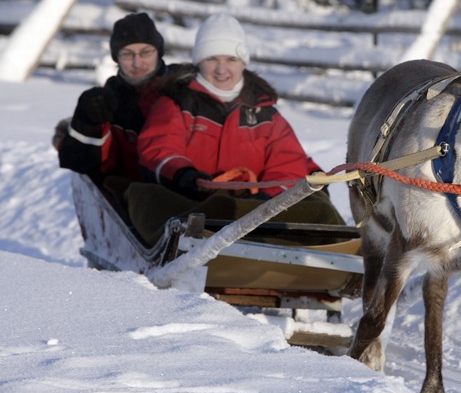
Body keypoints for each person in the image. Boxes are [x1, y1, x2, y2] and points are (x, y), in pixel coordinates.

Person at [126, 13, 344, 246]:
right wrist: (184, 174)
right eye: (212, 59)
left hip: (257, 205)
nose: (221, 70)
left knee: (317, 204)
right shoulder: (178, 102)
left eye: (231, 59)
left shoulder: (264, 112)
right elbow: (159, 147)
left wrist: (264, 200)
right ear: (199, 61)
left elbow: (287, 163)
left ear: (243, 63)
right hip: (194, 200)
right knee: (145, 196)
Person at [56, 13, 168, 185]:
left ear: (158, 52)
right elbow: (80, 163)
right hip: (131, 199)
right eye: (127, 54)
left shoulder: (180, 89)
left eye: (145, 52)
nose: (137, 63)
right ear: (117, 58)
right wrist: (86, 121)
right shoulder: (108, 102)